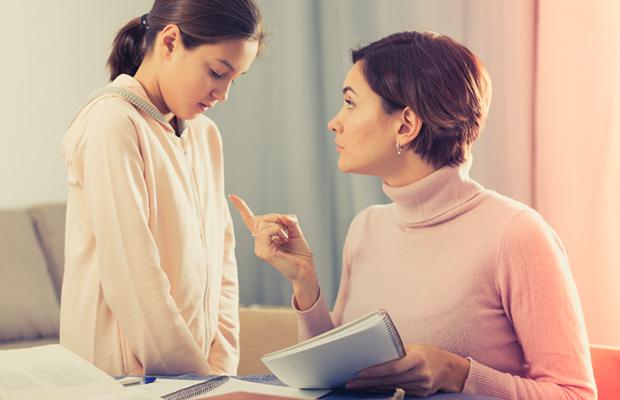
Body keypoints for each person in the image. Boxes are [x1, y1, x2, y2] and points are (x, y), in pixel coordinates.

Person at [229, 31, 596, 399]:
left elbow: (575, 394)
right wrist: (305, 282)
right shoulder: (366, 228)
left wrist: (460, 374)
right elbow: (337, 381)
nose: (334, 122)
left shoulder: (517, 234)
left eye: (350, 103)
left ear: (405, 125)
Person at [60, 0, 264, 376]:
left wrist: (220, 372)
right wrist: (200, 379)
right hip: (118, 381)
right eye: (217, 72)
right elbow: (134, 279)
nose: (224, 94)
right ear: (170, 42)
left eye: (235, 79)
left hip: (195, 380)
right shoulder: (112, 124)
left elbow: (223, 264)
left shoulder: (205, 136)